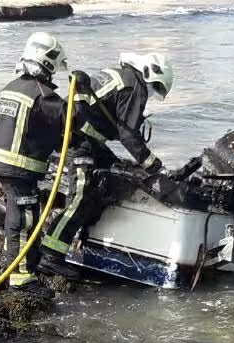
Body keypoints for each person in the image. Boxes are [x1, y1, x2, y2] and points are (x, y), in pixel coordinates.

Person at [39, 52, 174, 276]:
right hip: (79, 140)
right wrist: (155, 167)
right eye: (156, 87)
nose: (152, 94)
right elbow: (128, 136)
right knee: (80, 197)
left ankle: (86, 238)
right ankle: (51, 255)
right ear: (150, 75)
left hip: (83, 137)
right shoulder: (135, 86)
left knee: (116, 171)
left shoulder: (125, 77)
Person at [0, 31, 73, 300]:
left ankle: (14, 266)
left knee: (19, 218)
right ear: (47, 63)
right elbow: (70, 121)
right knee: (24, 221)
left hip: (3, 164)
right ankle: (21, 279)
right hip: (21, 167)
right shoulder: (43, 96)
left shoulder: (10, 87)